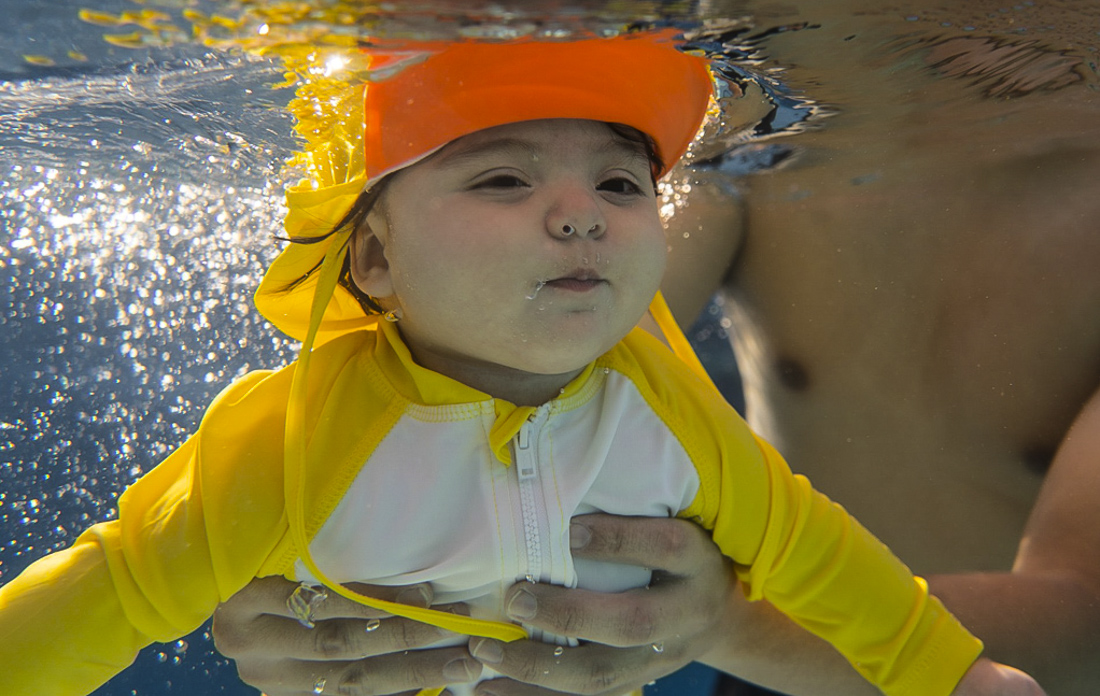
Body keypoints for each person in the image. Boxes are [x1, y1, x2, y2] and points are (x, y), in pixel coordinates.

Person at [0, 30, 1044, 696]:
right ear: (373, 257)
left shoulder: (665, 407)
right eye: (502, 179)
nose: (579, 213)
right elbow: (113, 591)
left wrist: (951, 678)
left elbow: (814, 554)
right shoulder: (296, 439)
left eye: (621, 188)